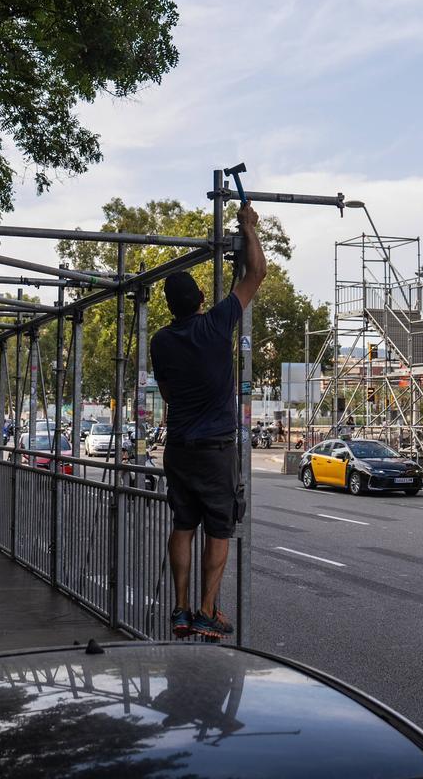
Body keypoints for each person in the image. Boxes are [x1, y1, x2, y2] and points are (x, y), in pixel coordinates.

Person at [150, 202, 266, 639]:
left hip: (179, 447)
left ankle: (179, 609)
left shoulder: (161, 342)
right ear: (201, 300)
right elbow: (254, 275)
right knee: (219, 527)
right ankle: (205, 612)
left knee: (183, 524)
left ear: (168, 307)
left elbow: (165, 393)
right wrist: (249, 227)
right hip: (216, 449)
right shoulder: (216, 325)